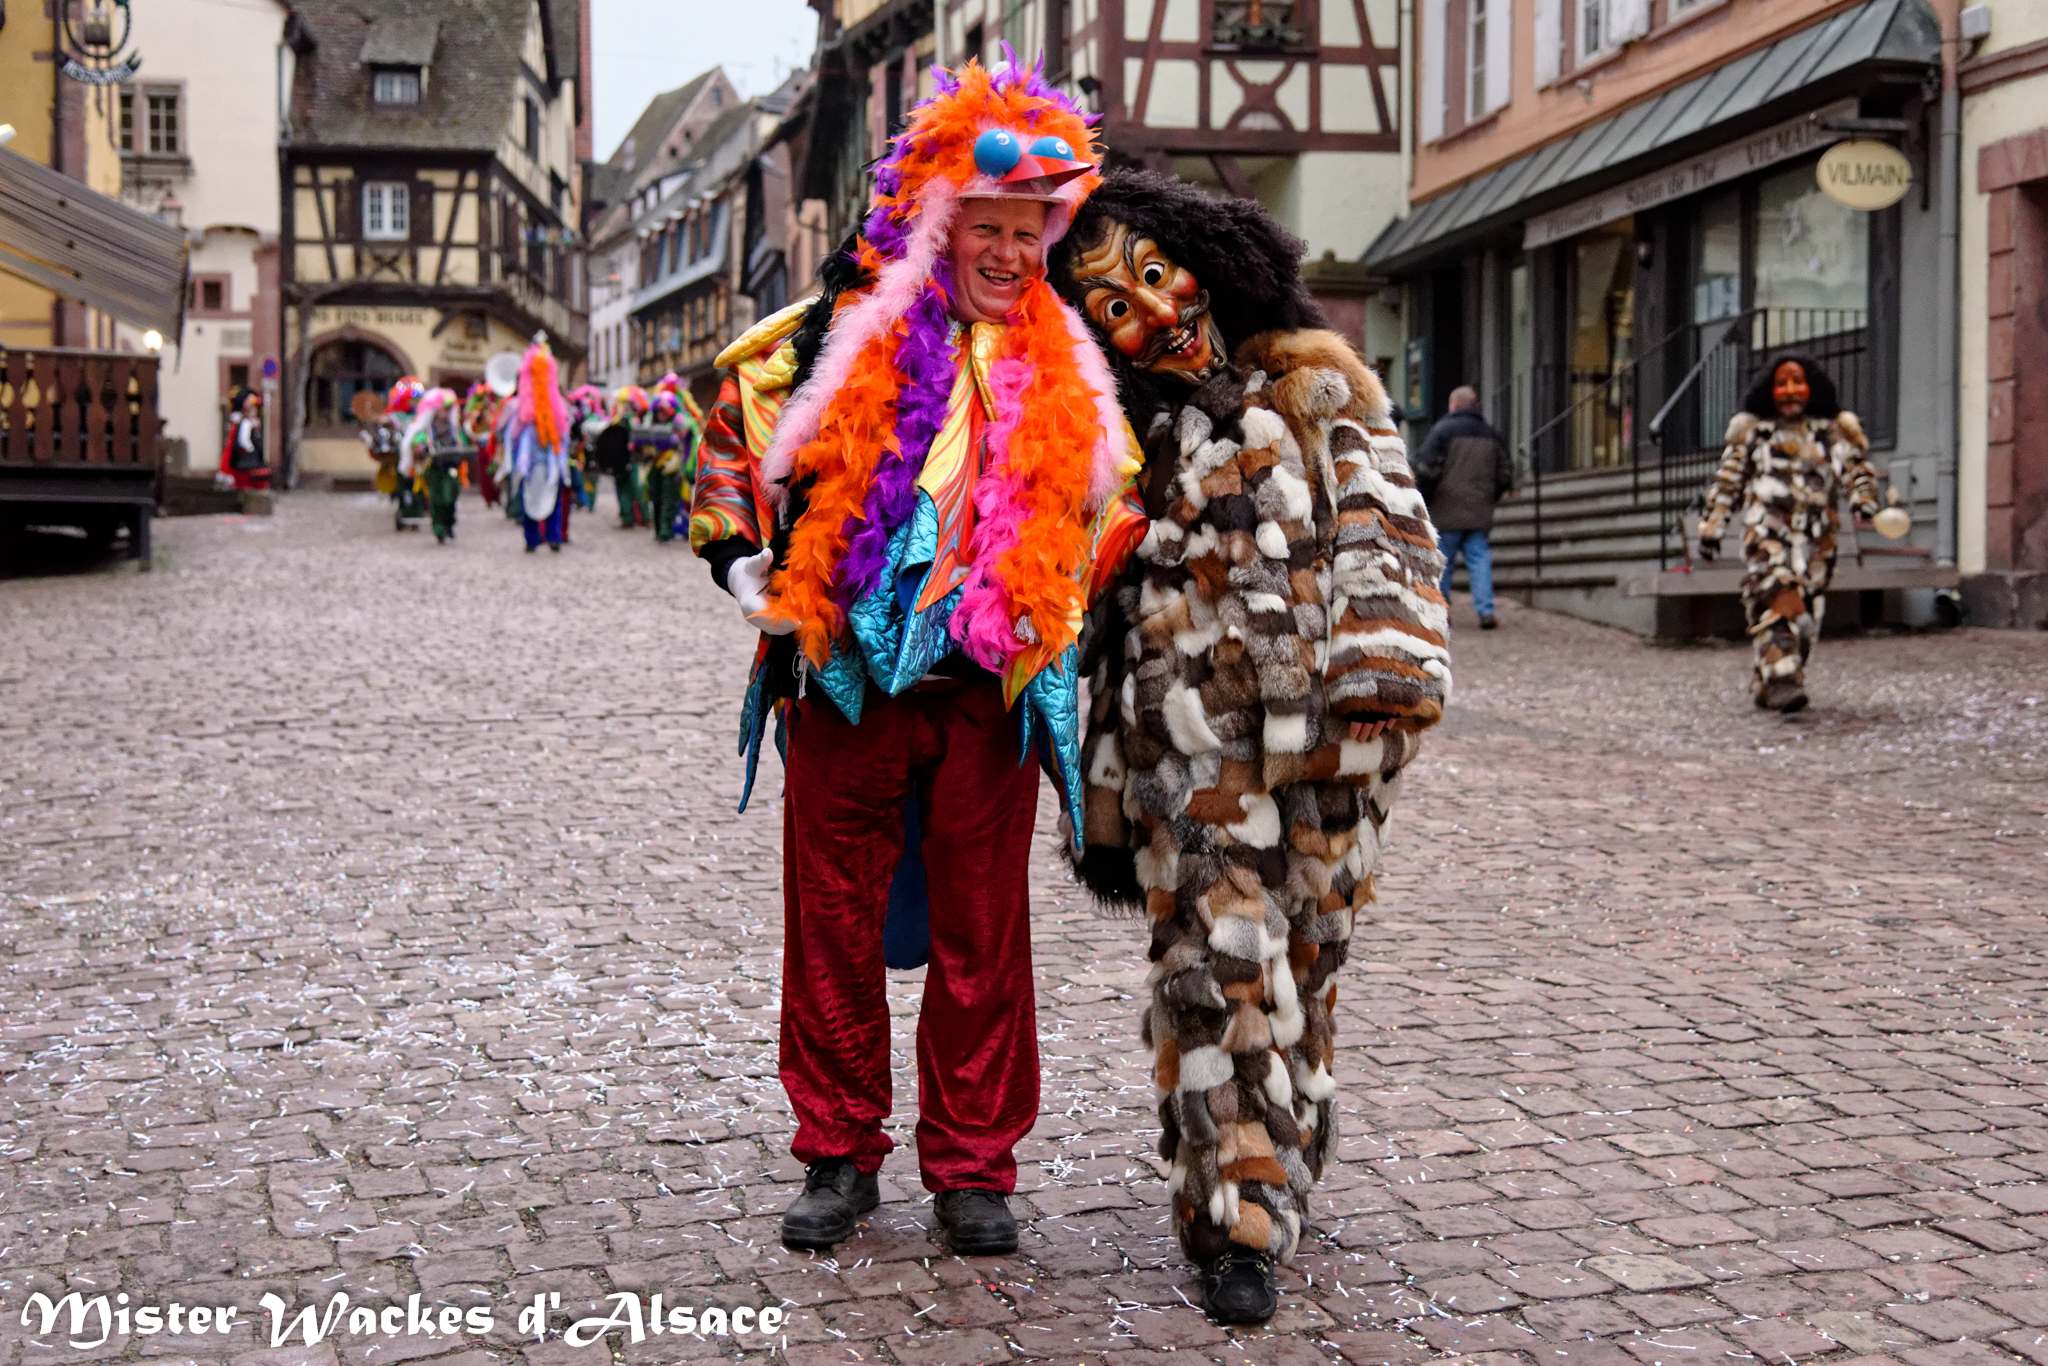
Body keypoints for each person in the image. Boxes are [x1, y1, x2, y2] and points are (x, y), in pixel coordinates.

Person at [689, 54, 1134, 1260]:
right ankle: (836, 1153)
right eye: (983, 228)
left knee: (983, 935)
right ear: (937, 227)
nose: (1005, 254)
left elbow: (1122, 516)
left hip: (989, 695)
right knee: (829, 921)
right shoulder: (843, 331)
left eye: (1025, 233)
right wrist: (745, 570)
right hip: (842, 686)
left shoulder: (1080, 371)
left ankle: (973, 1165)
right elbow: (729, 439)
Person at [1052, 169, 1449, 1323]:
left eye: (1154, 278)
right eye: (1112, 308)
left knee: (1306, 972)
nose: (1151, 315)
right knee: (1215, 975)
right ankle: (1233, 1217)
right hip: (1192, 751)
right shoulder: (1120, 437)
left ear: (1206, 263)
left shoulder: (1314, 383)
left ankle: (1284, 1150)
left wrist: (1381, 676)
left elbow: (1385, 524)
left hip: (1330, 742)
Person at [1698, 353, 1884, 713]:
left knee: (1804, 619)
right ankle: (1783, 681)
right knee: (1779, 598)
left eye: (1796, 382)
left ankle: (1768, 680)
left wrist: (1863, 499)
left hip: (1817, 542)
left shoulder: (1831, 432)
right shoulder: (1753, 433)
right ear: (1769, 390)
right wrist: (1712, 527)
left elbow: (1855, 468)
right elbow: (1728, 482)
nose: (1789, 391)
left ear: (1811, 387)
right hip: (1768, 533)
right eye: (1781, 384)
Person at [1412, 386, 1513, 630]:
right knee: (1480, 559)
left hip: (1446, 510)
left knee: (1443, 562)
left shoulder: (1442, 431)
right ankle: (1486, 610)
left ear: (1454, 405)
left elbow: (1425, 467)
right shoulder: (1491, 434)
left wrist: (1424, 497)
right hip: (1479, 511)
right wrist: (1492, 496)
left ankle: (1442, 611)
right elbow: (1505, 472)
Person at [495, 339, 573, 554]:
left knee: (549, 498)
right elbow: (503, 431)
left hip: (546, 462)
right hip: (530, 464)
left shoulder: (552, 407)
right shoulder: (521, 407)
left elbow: (567, 430)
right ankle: (541, 538)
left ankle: (545, 538)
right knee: (533, 499)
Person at [400, 387, 470, 544]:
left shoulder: (454, 428)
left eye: (448, 409)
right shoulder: (427, 429)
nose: (446, 412)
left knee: (450, 499)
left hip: (451, 468)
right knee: (437, 500)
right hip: (434, 469)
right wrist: (422, 448)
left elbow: (463, 443)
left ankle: (449, 524)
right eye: (444, 409)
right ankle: (439, 528)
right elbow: (417, 444)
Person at [218, 388, 270, 490]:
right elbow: (243, 440)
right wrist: (251, 449)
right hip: (246, 461)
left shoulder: (246, 423)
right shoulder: (246, 423)